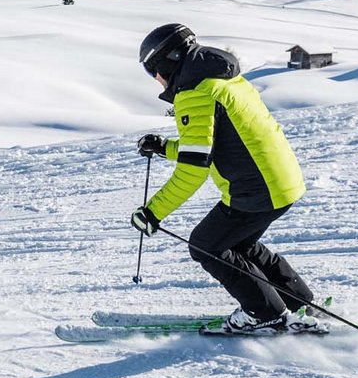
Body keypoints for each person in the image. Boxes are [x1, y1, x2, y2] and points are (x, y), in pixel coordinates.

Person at [129, 23, 321, 335]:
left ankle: (265, 314)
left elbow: (194, 169)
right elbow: (211, 145)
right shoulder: (220, 79)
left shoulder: (195, 93)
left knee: (205, 244)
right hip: (282, 179)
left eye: (152, 72)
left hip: (257, 188)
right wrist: (166, 148)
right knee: (240, 243)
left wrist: (153, 212)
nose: (156, 80)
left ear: (167, 62)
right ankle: (299, 303)